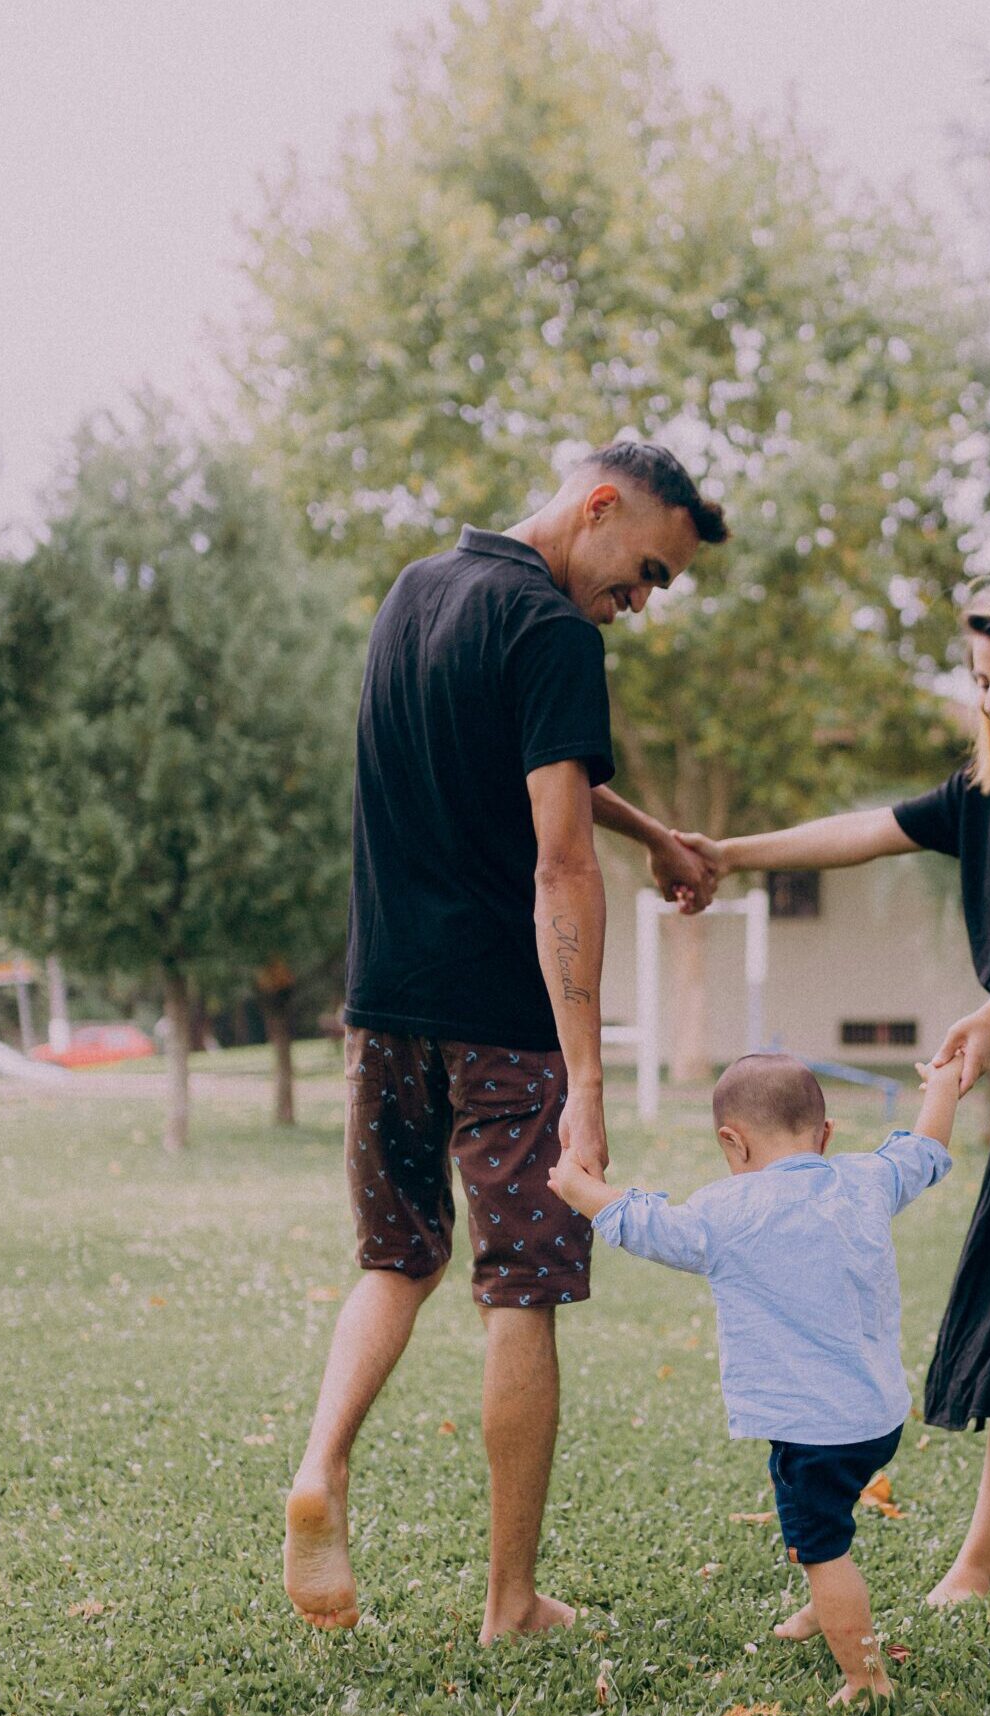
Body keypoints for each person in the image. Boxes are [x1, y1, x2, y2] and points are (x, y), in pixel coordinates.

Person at [284, 442, 728, 1642]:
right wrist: (585, 1077)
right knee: (518, 1291)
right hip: (499, 1021)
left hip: (381, 1003)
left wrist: (654, 834)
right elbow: (556, 857)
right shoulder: (551, 631)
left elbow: (535, 776)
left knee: (397, 1260)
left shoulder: (415, 592)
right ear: (596, 507)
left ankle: (320, 1465)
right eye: (641, 573)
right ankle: (509, 1602)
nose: (633, 605)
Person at [681, 576, 990, 1603]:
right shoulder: (988, 795)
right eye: (980, 681)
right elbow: (860, 832)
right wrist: (730, 854)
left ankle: (979, 1560)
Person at [549, 1052, 962, 1702]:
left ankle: (865, 1675)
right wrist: (942, 1086)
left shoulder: (727, 1211)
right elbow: (925, 1147)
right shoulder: (866, 1179)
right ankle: (820, 1611)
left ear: (731, 1142)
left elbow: (648, 1226)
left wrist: (578, 1189)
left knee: (824, 1545)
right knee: (816, 1511)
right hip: (876, 1414)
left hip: (813, 1428)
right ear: (825, 1135)